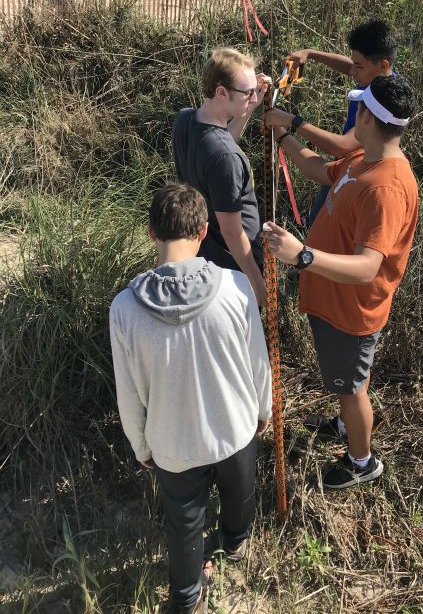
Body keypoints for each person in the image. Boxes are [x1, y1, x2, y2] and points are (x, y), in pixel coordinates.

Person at [110, 183, 272, 614]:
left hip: (171, 444)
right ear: (203, 231)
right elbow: (259, 360)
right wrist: (263, 409)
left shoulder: (124, 309)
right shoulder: (237, 288)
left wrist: (141, 445)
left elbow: (128, 391)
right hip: (236, 428)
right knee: (240, 496)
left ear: (150, 233)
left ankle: (185, 598)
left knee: (183, 522)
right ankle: (234, 544)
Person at [263, 76, 418, 490]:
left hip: (352, 311)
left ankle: (362, 461)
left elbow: (368, 267)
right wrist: (282, 137)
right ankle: (345, 424)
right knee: (352, 382)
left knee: (352, 389)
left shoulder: (386, 187)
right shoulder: (364, 158)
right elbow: (319, 169)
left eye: (358, 110)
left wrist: (302, 256)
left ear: (367, 117)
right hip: (334, 300)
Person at [265, 20, 397, 221]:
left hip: (352, 179)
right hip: (343, 171)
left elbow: (342, 147)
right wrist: (310, 53)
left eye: (359, 67)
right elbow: (349, 66)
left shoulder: (381, 102)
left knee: (321, 224)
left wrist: (291, 121)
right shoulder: (379, 79)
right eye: (354, 64)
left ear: (383, 65)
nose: (353, 72)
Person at [172, 48, 270, 306]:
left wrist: (250, 107)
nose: (252, 96)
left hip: (204, 257)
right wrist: (258, 286)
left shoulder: (184, 120)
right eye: (247, 92)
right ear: (221, 92)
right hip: (233, 269)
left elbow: (221, 141)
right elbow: (232, 232)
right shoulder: (224, 158)